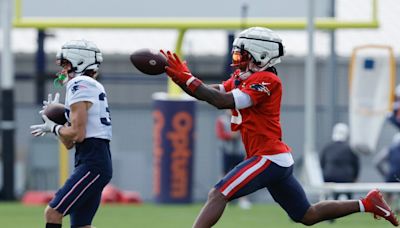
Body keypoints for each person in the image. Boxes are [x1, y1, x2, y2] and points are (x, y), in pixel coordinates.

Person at [160, 27, 399, 227]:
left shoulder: (267, 80)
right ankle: (367, 203)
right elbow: (210, 92)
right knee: (307, 215)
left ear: (261, 56)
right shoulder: (244, 78)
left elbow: (220, 101)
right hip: (273, 159)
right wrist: (182, 78)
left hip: (268, 158)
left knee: (219, 193)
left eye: (240, 56)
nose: (237, 61)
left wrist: (186, 79)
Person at [30, 40, 112, 228]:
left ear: (79, 62)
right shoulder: (86, 85)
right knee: (81, 225)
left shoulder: (79, 83)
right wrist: (57, 124)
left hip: (93, 160)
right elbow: (70, 143)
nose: (63, 70)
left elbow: (77, 134)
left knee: (53, 212)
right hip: (90, 158)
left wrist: (54, 128)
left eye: (66, 64)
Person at [215, 110, 252, 209]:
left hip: (239, 151)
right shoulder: (222, 120)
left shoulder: (242, 118)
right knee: (224, 175)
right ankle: (220, 199)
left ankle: (243, 200)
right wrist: (231, 136)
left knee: (242, 175)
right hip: (227, 151)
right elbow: (220, 134)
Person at [320, 123, 360, 200]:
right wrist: (355, 177)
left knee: (330, 198)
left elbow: (322, 163)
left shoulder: (327, 147)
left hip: (329, 177)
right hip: (347, 178)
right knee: (349, 199)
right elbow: (356, 165)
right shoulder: (351, 148)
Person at [374, 133, 400, 212]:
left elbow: (377, 162)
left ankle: (387, 211)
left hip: (391, 177)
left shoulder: (390, 149)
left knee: (387, 202)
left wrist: (385, 174)